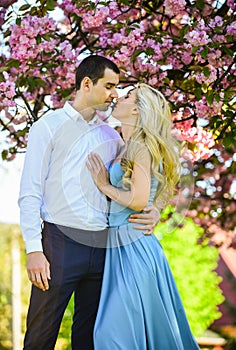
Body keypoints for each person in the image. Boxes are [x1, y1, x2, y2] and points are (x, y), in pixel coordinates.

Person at [18, 55, 159, 350]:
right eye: (109, 86)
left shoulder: (112, 135)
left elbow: (141, 178)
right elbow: (30, 191)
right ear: (86, 83)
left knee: (92, 338)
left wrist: (155, 208)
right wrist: (34, 249)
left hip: (103, 248)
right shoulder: (48, 126)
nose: (114, 95)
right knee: (41, 335)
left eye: (117, 88)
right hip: (59, 244)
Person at [87, 83, 200, 349]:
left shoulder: (140, 147)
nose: (118, 98)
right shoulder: (129, 146)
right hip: (123, 246)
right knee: (131, 336)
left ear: (137, 110)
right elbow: (162, 187)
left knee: (111, 337)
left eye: (126, 96)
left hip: (134, 247)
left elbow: (138, 200)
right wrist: (157, 208)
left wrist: (104, 185)